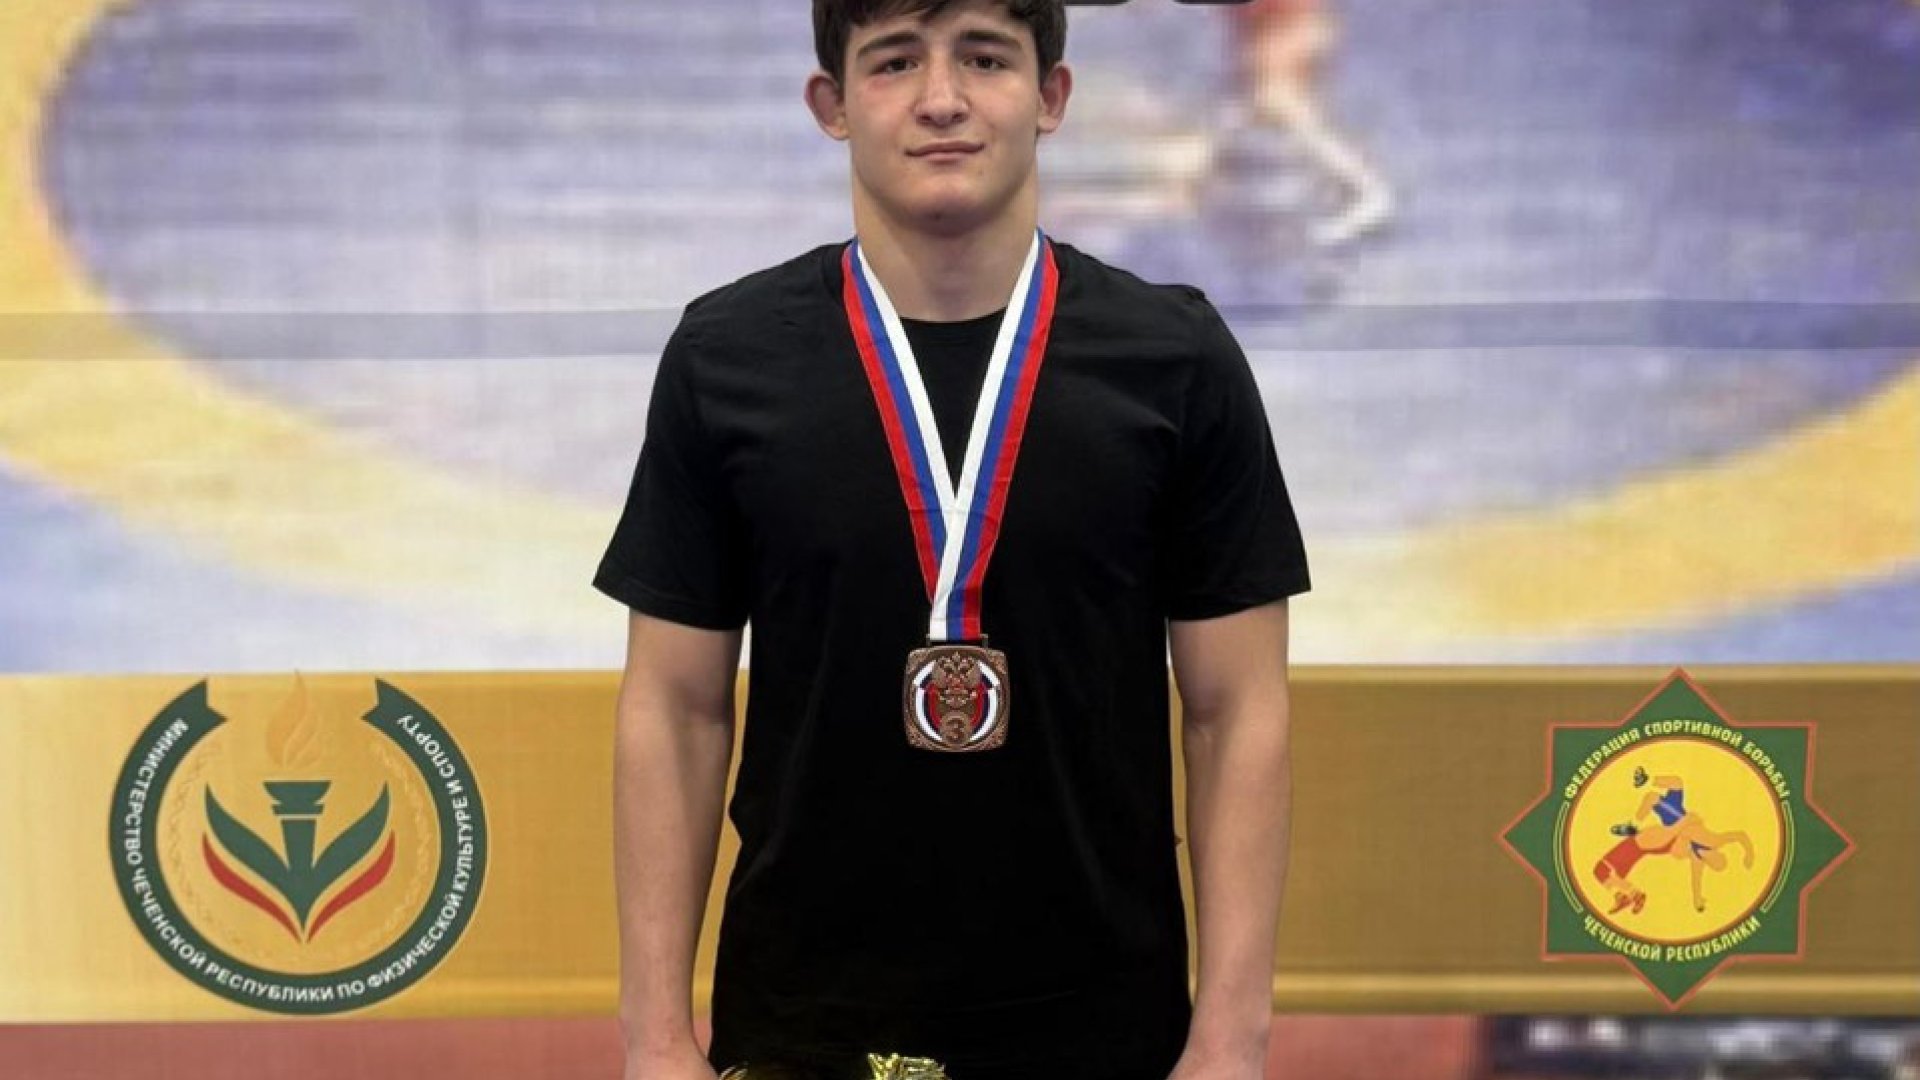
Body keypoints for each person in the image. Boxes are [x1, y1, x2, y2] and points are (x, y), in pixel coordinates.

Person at [596, 3, 1308, 1078]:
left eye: (985, 57)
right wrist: (654, 1042)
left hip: (1101, 1032)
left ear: (1051, 95)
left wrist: (1230, 1042)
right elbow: (675, 707)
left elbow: (1236, 710)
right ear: (832, 104)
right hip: (805, 1031)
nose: (942, 99)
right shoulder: (725, 358)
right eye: (894, 62)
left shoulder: (1176, 360)